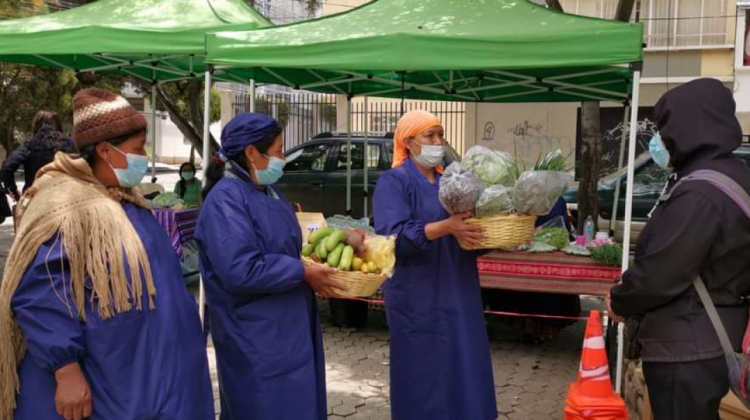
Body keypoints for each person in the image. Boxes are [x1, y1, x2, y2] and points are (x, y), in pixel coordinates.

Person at [0, 88, 214, 420]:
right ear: (104, 150)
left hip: (151, 377)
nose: (144, 155)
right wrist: (65, 370)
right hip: (110, 385)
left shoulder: (124, 199)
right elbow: (41, 296)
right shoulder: (67, 209)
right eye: (138, 148)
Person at [607, 78, 750, 420]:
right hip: (714, 333)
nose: (660, 139)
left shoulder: (700, 193)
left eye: (665, 128)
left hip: (688, 343)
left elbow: (662, 271)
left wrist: (621, 299)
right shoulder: (731, 176)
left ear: (689, 127)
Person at [195, 113, 341, 420]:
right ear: (251, 153)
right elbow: (240, 269)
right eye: (278, 151)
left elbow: (284, 248)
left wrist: (313, 265)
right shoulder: (225, 201)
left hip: (291, 326)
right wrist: (301, 271)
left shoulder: (270, 192)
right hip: (254, 335)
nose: (283, 158)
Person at [373, 110, 497, 420]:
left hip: (458, 288)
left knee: (464, 364)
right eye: (430, 136)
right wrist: (446, 227)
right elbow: (391, 239)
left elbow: (468, 236)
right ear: (408, 142)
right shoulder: (394, 182)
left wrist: (490, 235)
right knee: (421, 371)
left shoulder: (452, 182)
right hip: (417, 296)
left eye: (440, 134)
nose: (438, 141)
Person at [1, 110, 76, 202]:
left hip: (35, 200)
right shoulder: (69, 143)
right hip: (64, 198)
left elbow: (7, 167)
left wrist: (13, 191)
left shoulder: (30, 144)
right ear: (58, 124)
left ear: (36, 125)